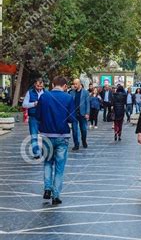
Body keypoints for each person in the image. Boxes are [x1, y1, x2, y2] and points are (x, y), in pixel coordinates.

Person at [36, 75, 76, 206]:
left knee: (47, 163)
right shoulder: (69, 98)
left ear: (53, 85)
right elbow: (71, 118)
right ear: (65, 86)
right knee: (59, 168)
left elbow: (38, 116)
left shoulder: (44, 97)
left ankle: (47, 189)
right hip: (62, 136)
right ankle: (56, 195)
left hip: (46, 135)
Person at [22, 78, 44, 159]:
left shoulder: (46, 93)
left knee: (45, 135)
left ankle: (45, 149)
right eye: (38, 86)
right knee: (34, 135)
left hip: (44, 117)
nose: (39, 87)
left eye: (41, 86)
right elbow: (24, 105)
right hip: (33, 117)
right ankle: (36, 153)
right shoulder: (30, 92)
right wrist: (34, 104)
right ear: (35, 84)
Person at [71, 78, 90, 151]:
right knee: (75, 130)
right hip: (74, 114)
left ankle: (84, 140)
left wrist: (87, 113)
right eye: (74, 84)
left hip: (83, 114)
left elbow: (87, 103)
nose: (74, 85)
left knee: (84, 130)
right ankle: (76, 144)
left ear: (79, 84)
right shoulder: (72, 92)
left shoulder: (85, 92)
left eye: (76, 84)